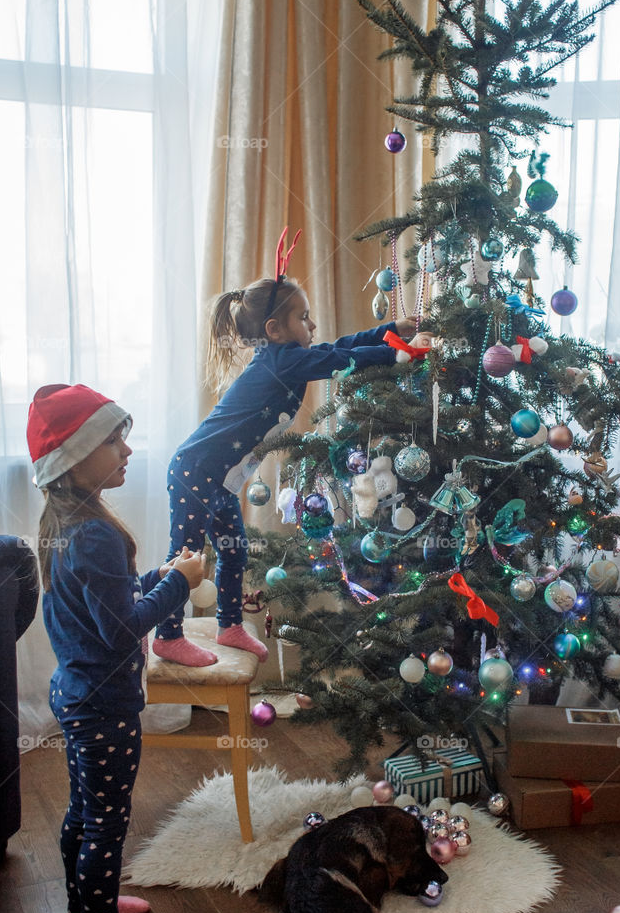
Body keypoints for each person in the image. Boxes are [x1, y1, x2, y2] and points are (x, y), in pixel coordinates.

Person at [153, 230, 423, 667]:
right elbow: (336, 360)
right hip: (195, 468)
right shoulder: (281, 361)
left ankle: (229, 624)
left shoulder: (286, 358)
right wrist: (396, 354)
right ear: (274, 330)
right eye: (304, 317)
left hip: (219, 477)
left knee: (233, 550)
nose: (312, 326)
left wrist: (390, 331)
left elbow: (335, 348)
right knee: (185, 558)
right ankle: (166, 636)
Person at [27, 382, 207, 913]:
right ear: (75, 459)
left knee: (84, 810)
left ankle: (84, 911)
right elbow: (123, 628)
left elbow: (105, 601)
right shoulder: (97, 533)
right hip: (104, 707)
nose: (126, 449)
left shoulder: (65, 523)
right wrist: (180, 583)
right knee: (108, 821)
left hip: (75, 692)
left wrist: (161, 571)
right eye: (112, 440)